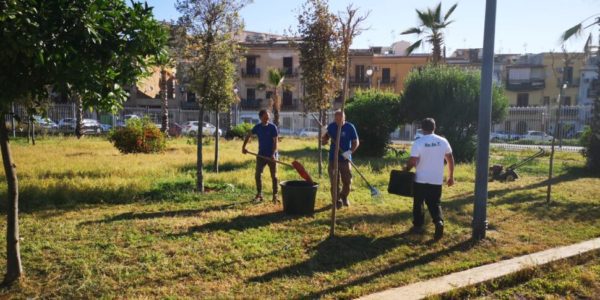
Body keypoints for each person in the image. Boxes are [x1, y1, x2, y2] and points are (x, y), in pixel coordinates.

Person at [405, 118, 454, 240]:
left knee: (418, 203)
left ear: (422, 128)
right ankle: (438, 222)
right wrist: (451, 176)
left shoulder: (419, 142)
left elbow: (413, 160)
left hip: (420, 179)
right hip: (436, 180)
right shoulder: (443, 141)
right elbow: (450, 158)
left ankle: (418, 226)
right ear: (434, 127)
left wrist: (406, 169)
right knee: (435, 203)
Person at [322, 110, 359, 209]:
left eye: (340, 119)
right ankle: (336, 201)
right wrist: (323, 135)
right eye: (336, 119)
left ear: (344, 118)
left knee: (347, 181)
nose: (338, 121)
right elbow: (324, 142)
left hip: (345, 159)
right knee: (334, 182)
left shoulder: (350, 127)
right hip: (333, 159)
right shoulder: (331, 127)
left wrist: (349, 152)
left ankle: (344, 196)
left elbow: (356, 142)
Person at [242, 109, 279, 203]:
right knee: (258, 175)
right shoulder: (257, 127)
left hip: (272, 156)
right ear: (261, 118)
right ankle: (259, 194)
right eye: (265, 117)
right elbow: (248, 135)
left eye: (268, 117)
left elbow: (275, 142)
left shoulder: (273, 127)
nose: (267, 118)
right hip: (261, 155)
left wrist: (273, 154)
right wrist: (244, 147)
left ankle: (275, 195)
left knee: (274, 176)